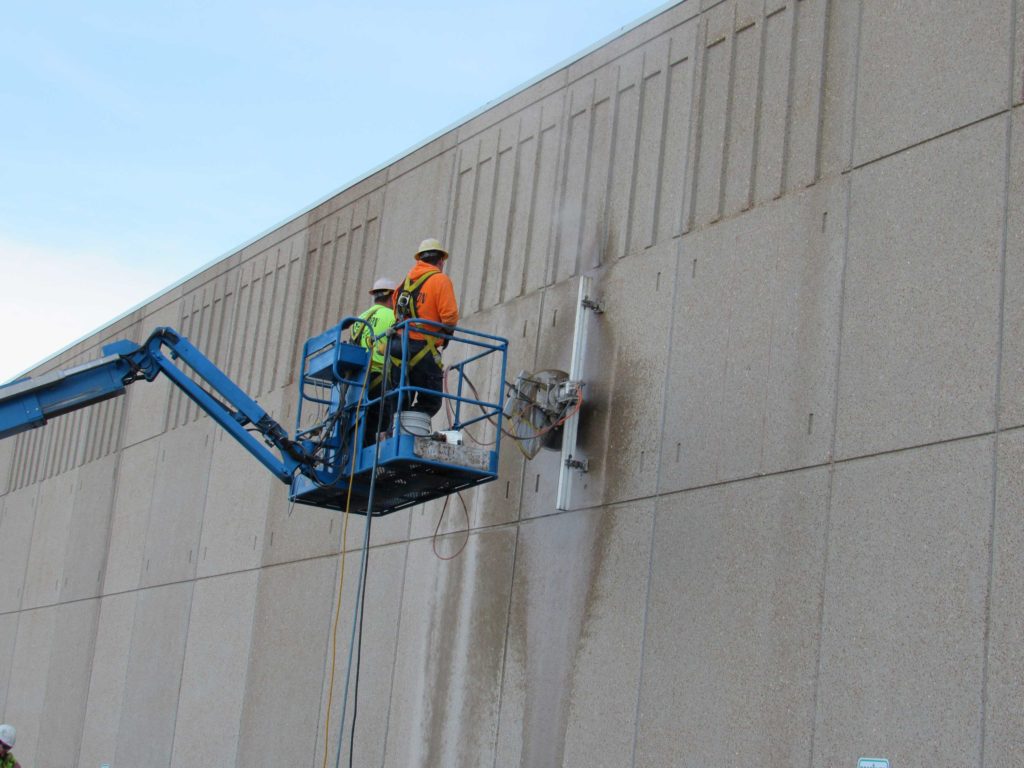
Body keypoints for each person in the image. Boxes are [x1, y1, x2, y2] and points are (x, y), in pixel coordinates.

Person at [390, 238, 459, 417]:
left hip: (399, 348)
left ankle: (396, 431)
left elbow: (396, 315)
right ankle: (411, 431)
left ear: (419, 260)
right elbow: (450, 317)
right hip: (423, 350)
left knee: (400, 400)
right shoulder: (440, 280)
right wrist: (446, 332)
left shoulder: (402, 286)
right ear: (441, 260)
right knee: (431, 401)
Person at [351, 277, 397, 441]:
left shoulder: (359, 319)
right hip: (380, 376)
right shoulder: (393, 316)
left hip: (358, 381)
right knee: (382, 420)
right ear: (393, 296)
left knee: (362, 423)